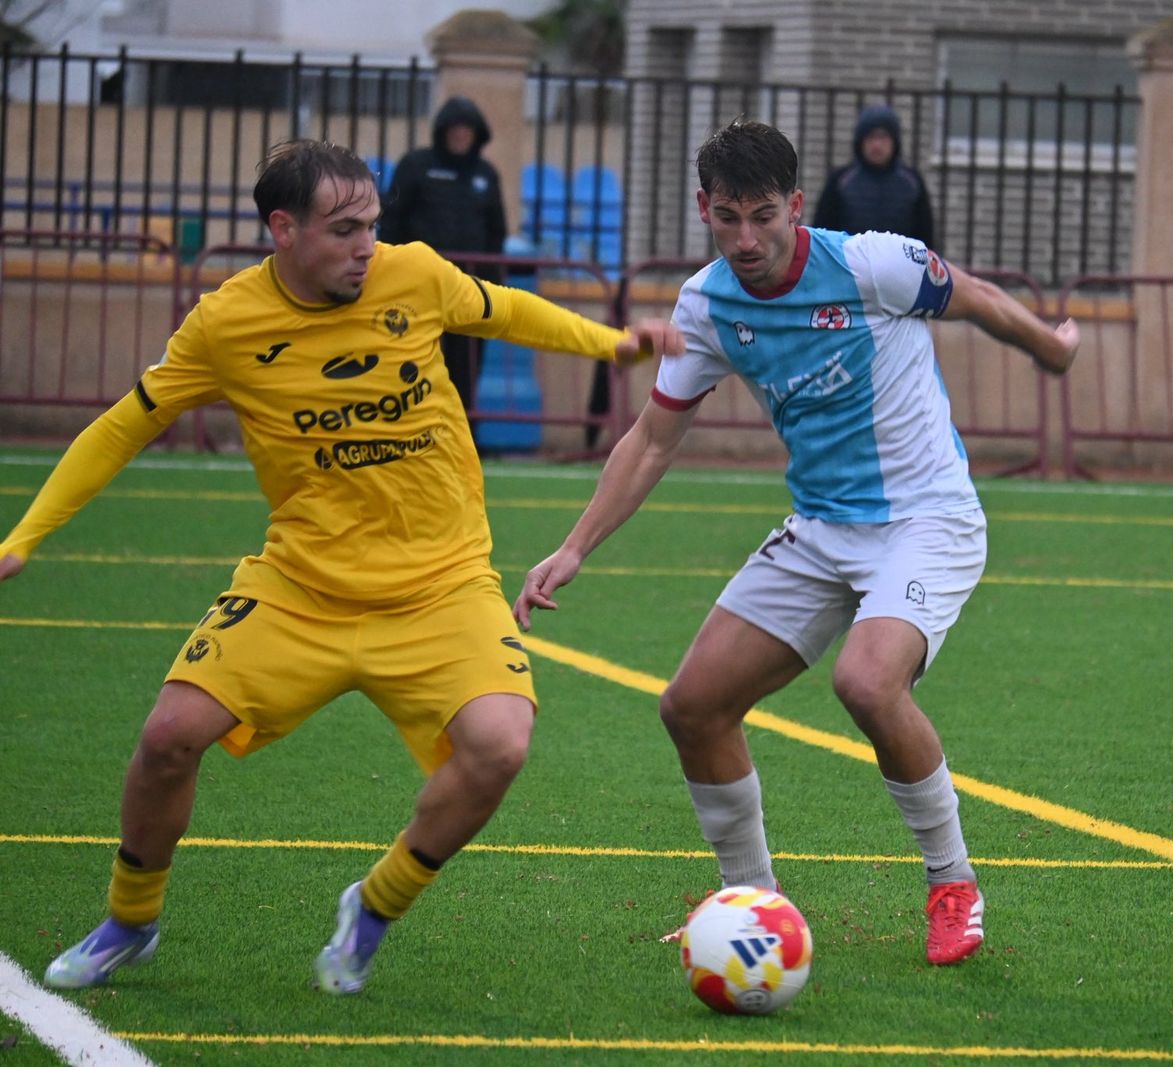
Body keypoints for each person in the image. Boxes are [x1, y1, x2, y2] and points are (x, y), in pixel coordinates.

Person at [0, 139, 680, 995]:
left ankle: (376, 903)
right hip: (300, 589)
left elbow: (505, 310)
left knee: (501, 744)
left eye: (372, 225)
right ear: (283, 229)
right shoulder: (225, 323)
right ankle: (129, 920)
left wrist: (612, 344)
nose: (367, 246)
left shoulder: (414, 274)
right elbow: (122, 425)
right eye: (344, 229)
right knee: (169, 737)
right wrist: (24, 535)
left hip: (442, 584)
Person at [513, 119, 1077, 966]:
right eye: (727, 217)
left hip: (926, 519)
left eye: (763, 216)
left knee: (867, 681)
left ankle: (953, 884)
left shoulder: (871, 264)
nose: (746, 239)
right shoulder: (706, 304)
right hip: (820, 528)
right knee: (692, 706)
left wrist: (1052, 350)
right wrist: (575, 546)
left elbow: (978, 298)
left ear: (797, 206)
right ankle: (753, 904)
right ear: (703, 208)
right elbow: (653, 438)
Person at [381, 96, 509, 447]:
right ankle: (406, 433)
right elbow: (391, 222)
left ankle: (460, 437)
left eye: (467, 130)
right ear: (442, 131)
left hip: (469, 290)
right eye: (454, 129)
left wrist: (491, 284)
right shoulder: (415, 166)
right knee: (411, 362)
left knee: (465, 367)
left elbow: (496, 232)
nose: (460, 136)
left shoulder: (485, 175)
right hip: (416, 289)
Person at [811, 104, 937, 248]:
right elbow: (823, 235)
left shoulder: (912, 182)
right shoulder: (841, 181)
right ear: (860, 141)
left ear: (894, 141)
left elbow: (925, 239)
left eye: (883, 137)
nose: (877, 145)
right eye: (871, 138)